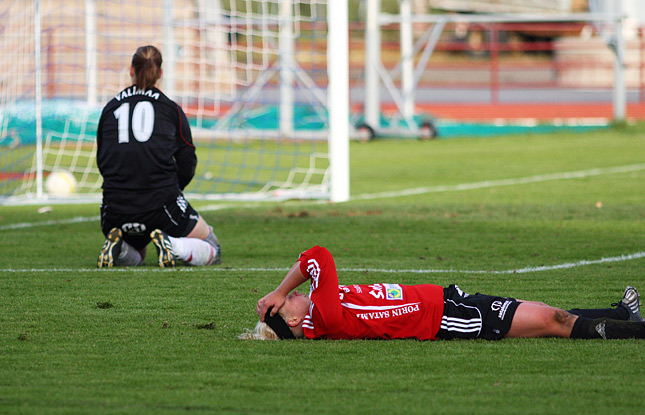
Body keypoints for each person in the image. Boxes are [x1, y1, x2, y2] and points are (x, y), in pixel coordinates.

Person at [245, 245, 644, 341]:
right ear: (294, 318)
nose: (294, 296)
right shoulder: (326, 316)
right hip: (449, 318)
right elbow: (318, 257)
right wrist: (278, 291)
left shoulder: (321, 309)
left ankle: (623, 316)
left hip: (446, 300)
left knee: (540, 315)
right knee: (552, 321)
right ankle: (633, 331)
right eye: (289, 302)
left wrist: (279, 298)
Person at [96, 45, 220, 268]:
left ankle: (120, 248)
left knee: (138, 253)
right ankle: (172, 244)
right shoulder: (170, 109)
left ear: (131, 70)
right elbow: (187, 161)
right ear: (160, 73)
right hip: (161, 205)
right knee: (213, 247)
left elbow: (102, 160)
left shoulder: (109, 108)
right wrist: (173, 191)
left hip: (114, 209)